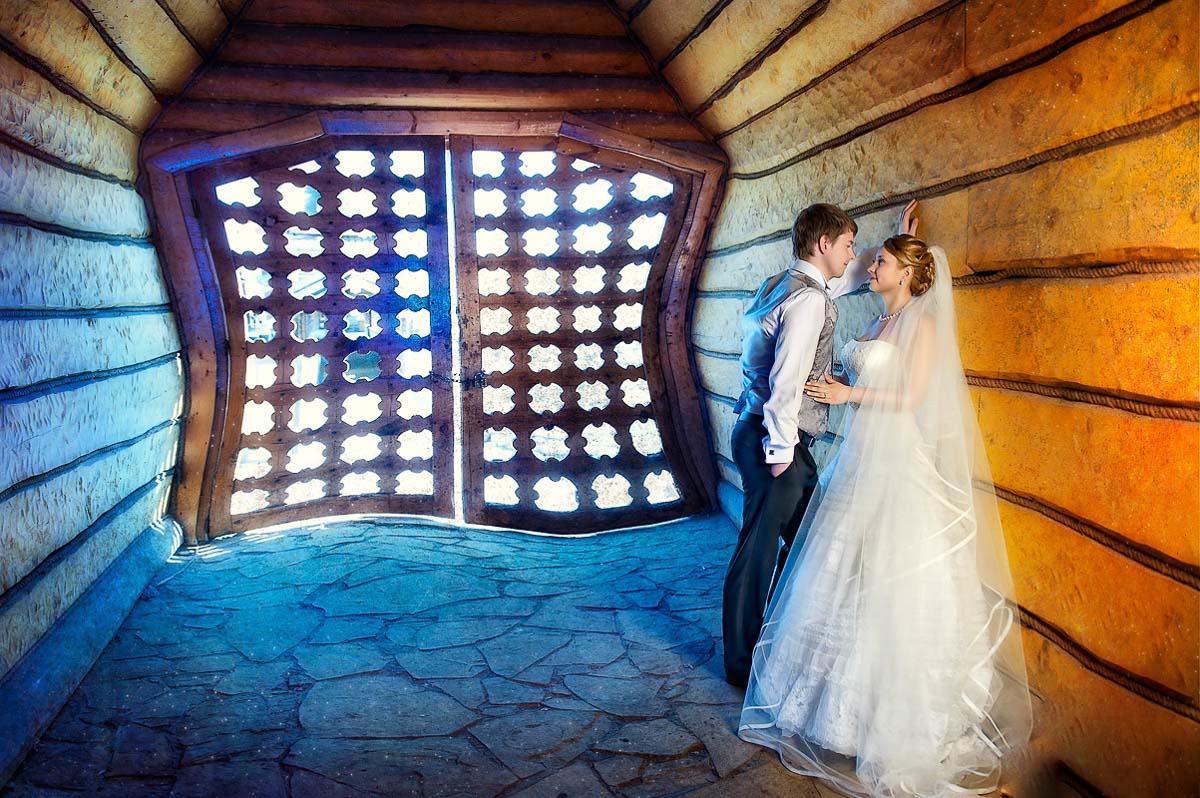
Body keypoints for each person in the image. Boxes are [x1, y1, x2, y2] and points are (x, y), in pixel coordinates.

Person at [738, 207, 1032, 797]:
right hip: (858, 458)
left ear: (908, 274)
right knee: (839, 567)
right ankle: (821, 706)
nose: (869, 265)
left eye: (881, 262)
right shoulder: (876, 320)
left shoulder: (923, 325)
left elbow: (913, 396)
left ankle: (893, 723)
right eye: (867, 257)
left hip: (897, 459)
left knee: (891, 572)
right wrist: (905, 242)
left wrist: (847, 394)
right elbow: (857, 304)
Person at [722, 202, 878, 688]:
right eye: (848, 245)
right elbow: (786, 381)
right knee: (760, 549)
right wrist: (780, 453)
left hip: (759, 432)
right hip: (776, 441)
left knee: (805, 541)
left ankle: (774, 641)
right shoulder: (808, 301)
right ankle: (742, 664)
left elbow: (841, 281)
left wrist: (887, 250)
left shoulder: (783, 284)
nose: (852, 254)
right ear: (824, 244)